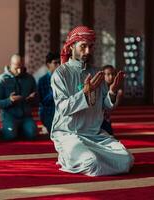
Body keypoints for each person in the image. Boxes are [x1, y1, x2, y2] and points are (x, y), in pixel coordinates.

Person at [51, 26, 134, 176]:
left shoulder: (96, 73)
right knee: (91, 162)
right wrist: (84, 92)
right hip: (70, 133)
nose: (88, 51)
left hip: (95, 134)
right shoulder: (61, 74)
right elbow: (63, 107)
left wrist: (112, 92)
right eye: (83, 46)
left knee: (127, 161)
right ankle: (66, 156)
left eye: (90, 47)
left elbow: (106, 105)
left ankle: (80, 156)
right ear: (71, 47)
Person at [0, 54, 38, 140]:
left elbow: (37, 100)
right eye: (16, 67)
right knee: (10, 136)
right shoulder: (2, 79)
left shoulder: (30, 78)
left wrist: (32, 99)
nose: (19, 71)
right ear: (10, 65)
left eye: (21, 67)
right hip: (9, 116)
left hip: (26, 116)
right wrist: (9, 100)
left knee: (32, 134)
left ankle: (18, 130)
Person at [38, 52, 60, 133]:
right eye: (55, 63)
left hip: (62, 111)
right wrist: (55, 90)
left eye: (59, 62)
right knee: (56, 132)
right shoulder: (42, 80)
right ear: (48, 65)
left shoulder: (63, 78)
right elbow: (43, 101)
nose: (58, 65)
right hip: (48, 113)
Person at [101, 65, 123, 135]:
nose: (111, 77)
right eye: (108, 74)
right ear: (103, 75)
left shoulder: (115, 89)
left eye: (113, 74)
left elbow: (112, 108)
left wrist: (117, 96)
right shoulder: (99, 88)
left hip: (106, 119)